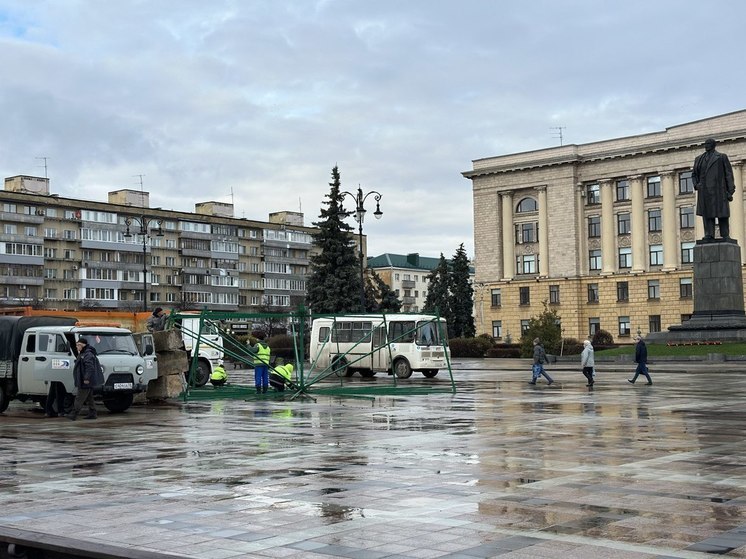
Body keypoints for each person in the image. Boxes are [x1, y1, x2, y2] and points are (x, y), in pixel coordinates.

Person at [692, 138, 735, 241]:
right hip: (704, 191)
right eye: (705, 144)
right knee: (707, 215)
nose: (706, 146)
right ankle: (709, 235)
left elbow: (728, 174)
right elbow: (694, 174)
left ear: (714, 145)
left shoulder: (721, 157)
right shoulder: (699, 159)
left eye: (709, 144)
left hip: (719, 190)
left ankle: (725, 235)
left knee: (722, 214)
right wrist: (696, 185)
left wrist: (730, 190)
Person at [67, 338, 104, 420]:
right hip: (85, 379)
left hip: (85, 380)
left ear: (81, 345)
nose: (76, 347)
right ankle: (93, 413)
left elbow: (90, 367)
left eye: (77, 345)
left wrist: (86, 378)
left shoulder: (87, 354)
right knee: (89, 397)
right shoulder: (84, 353)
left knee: (79, 397)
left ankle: (74, 414)